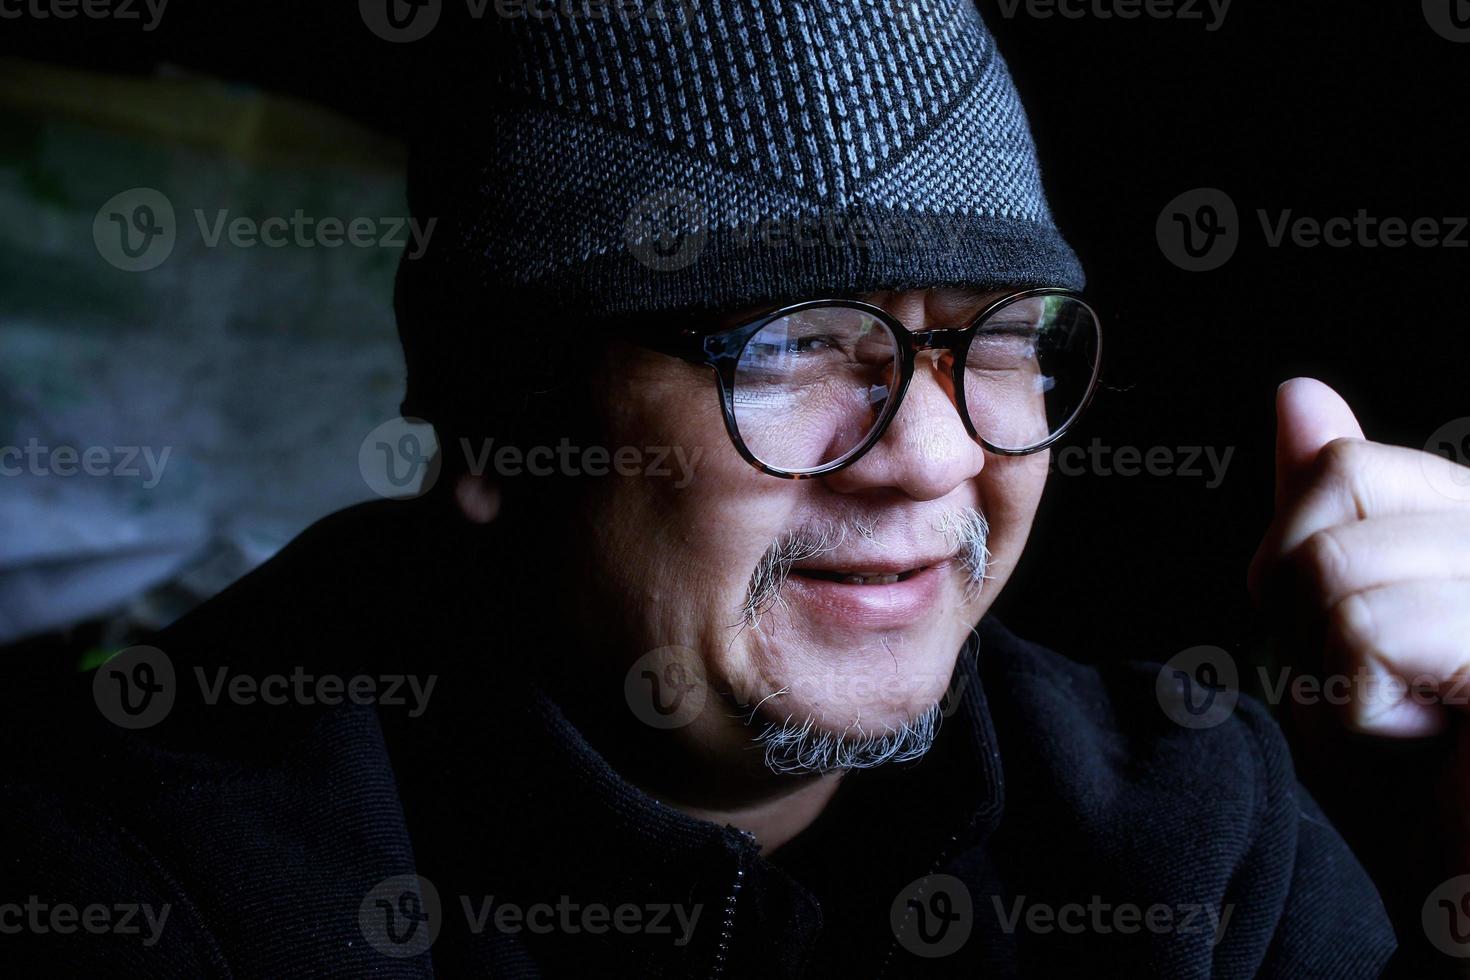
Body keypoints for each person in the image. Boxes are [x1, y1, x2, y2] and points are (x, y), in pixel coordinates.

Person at [6, 2, 1468, 976]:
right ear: (498, 425)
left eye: (1000, 342)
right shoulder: (145, 876)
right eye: (793, 348)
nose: (936, 454)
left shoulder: (1198, 828)